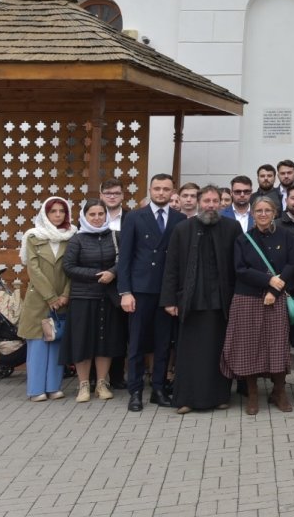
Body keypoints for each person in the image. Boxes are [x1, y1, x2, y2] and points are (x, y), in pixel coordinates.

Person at [161, 185, 241, 413]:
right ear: (198, 202)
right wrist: (169, 300)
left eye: (215, 201)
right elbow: (172, 266)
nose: (211, 205)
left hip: (221, 301)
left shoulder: (232, 227)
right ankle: (187, 399)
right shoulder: (182, 229)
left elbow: (238, 265)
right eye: (207, 201)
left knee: (218, 351)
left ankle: (219, 397)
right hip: (191, 301)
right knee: (190, 353)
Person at [221, 197, 294, 415]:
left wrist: (274, 291)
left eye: (267, 210)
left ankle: (279, 392)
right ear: (252, 214)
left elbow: (293, 264)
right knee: (249, 346)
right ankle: (253, 394)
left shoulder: (287, 236)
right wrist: (268, 280)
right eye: (258, 211)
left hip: (277, 297)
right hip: (247, 298)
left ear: (274, 213)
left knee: (277, 345)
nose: (263, 214)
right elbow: (240, 269)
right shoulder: (243, 239)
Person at [118, 173, 185, 412]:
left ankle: (158, 389)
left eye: (166, 189)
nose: (161, 193)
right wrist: (125, 291)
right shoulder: (134, 217)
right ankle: (135, 391)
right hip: (140, 290)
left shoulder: (180, 219)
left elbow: (180, 260)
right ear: (150, 189)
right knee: (137, 343)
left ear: (172, 191)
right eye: (157, 188)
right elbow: (125, 258)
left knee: (163, 343)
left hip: (166, 291)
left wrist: (177, 294)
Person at [61, 200, 125, 403]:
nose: (97, 218)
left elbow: (124, 260)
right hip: (83, 298)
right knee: (83, 341)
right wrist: (97, 275)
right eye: (92, 214)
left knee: (105, 341)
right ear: (84, 216)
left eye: (100, 214)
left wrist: (112, 273)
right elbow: (68, 266)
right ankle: (83, 385)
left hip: (108, 297)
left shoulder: (115, 236)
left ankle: (102, 383)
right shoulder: (77, 239)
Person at [18, 197, 76, 402]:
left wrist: (65, 294)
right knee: (38, 343)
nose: (58, 215)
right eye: (53, 211)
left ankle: (53, 386)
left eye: (62, 211)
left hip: (63, 299)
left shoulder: (72, 237)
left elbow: (73, 268)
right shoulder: (33, 236)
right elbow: (33, 269)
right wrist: (50, 296)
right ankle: (36, 389)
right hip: (39, 299)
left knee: (56, 341)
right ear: (45, 214)